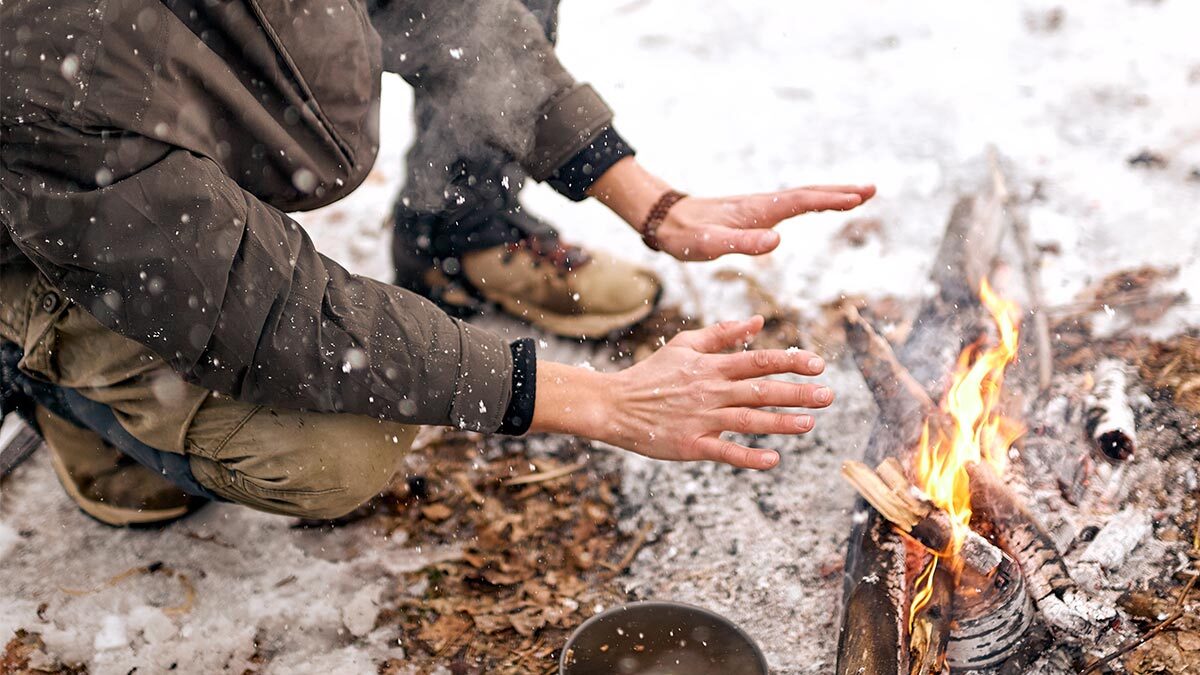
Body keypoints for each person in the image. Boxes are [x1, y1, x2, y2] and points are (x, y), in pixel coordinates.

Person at [0, 0, 874, 526]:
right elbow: (273, 317)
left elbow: (445, 10)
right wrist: (601, 398)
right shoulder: (44, 58)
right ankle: (46, 376)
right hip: (50, 211)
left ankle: (461, 233)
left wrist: (646, 197)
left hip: (147, 151)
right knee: (333, 449)